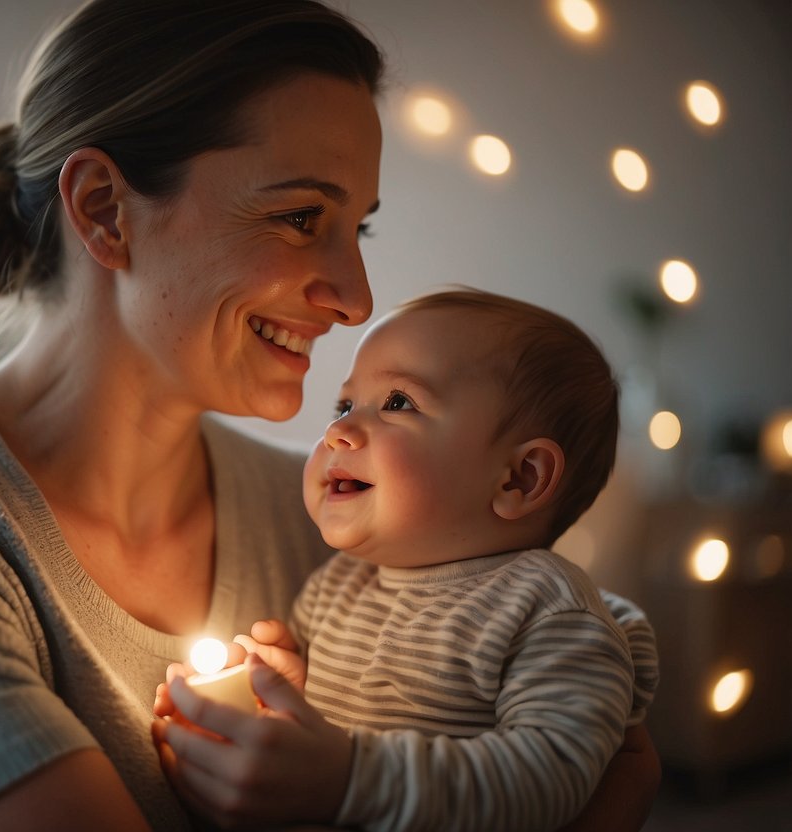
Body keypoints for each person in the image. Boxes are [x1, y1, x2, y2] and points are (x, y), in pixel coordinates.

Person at [0, 1, 660, 829]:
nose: (356, 300)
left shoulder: (335, 536)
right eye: (302, 215)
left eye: (359, 230)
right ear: (103, 211)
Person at [155, 288, 660, 831]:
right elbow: (342, 727)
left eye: (398, 403)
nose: (337, 431)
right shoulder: (338, 585)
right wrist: (292, 688)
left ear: (520, 478)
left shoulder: (549, 610)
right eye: (345, 405)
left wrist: (349, 780)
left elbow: (548, 778)